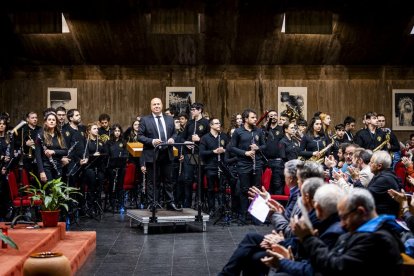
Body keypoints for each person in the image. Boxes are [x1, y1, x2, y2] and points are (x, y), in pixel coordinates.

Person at [288, 188, 404, 276]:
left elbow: (335, 268)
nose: (342, 224)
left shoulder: (375, 239)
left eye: (344, 217)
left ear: (360, 211)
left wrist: (308, 238)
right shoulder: (370, 231)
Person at [138, 98, 180, 211]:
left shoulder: (170, 119)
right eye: (154, 104)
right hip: (152, 154)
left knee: (168, 180)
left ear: (161, 105)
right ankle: (153, 204)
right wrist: (151, 141)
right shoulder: (145, 120)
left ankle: (170, 203)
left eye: (158, 104)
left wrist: (172, 139)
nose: (156, 106)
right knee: (152, 181)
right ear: (151, 106)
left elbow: (175, 134)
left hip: (167, 153)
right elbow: (140, 136)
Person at [231, 108, 266, 222]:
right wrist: (245, 153)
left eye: (256, 117)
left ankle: (255, 216)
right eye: (252, 117)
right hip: (243, 164)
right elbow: (232, 147)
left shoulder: (259, 131)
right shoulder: (238, 132)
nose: (255, 119)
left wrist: (258, 148)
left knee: (256, 190)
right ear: (246, 119)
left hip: (257, 164)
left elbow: (264, 146)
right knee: (244, 190)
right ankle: (244, 215)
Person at [180, 102, 210, 208]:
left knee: (199, 180)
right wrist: (186, 143)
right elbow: (182, 137)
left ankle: (199, 204)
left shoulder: (206, 123)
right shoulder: (189, 123)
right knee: (187, 179)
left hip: (199, 155)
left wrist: (199, 139)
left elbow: (210, 140)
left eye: (193, 109)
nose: (192, 111)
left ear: (200, 110)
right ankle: (187, 204)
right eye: (191, 109)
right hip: (188, 155)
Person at [199, 118, 229, 214]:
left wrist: (224, 150)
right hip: (210, 166)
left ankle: (222, 208)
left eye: (219, 123)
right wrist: (214, 151)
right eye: (216, 123)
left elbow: (230, 149)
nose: (218, 124)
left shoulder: (224, 136)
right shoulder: (205, 138)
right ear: (211, 125)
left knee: (222, 188)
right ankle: (211, 208)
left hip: (222, 166)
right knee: (211, 189)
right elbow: (201, 152)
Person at [35, 111, 68, 182]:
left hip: (58, 167)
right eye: (49, 120)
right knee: (49, 191)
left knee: (57, 191)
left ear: (56, 123)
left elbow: (65, 151)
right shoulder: (40, 135)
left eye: (53, 120)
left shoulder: (59, 136)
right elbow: (37, 155)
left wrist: (53, 151)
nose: (51, 121)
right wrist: (41, 172)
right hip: (46, 167)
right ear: (45, 122)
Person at [368, 150, 401, 216]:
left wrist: (356, 180)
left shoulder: (384, 179)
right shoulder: (383, 175)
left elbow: (365, 196)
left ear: (379, 166)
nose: (369, 164)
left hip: (383, 219)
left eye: (371, 162)